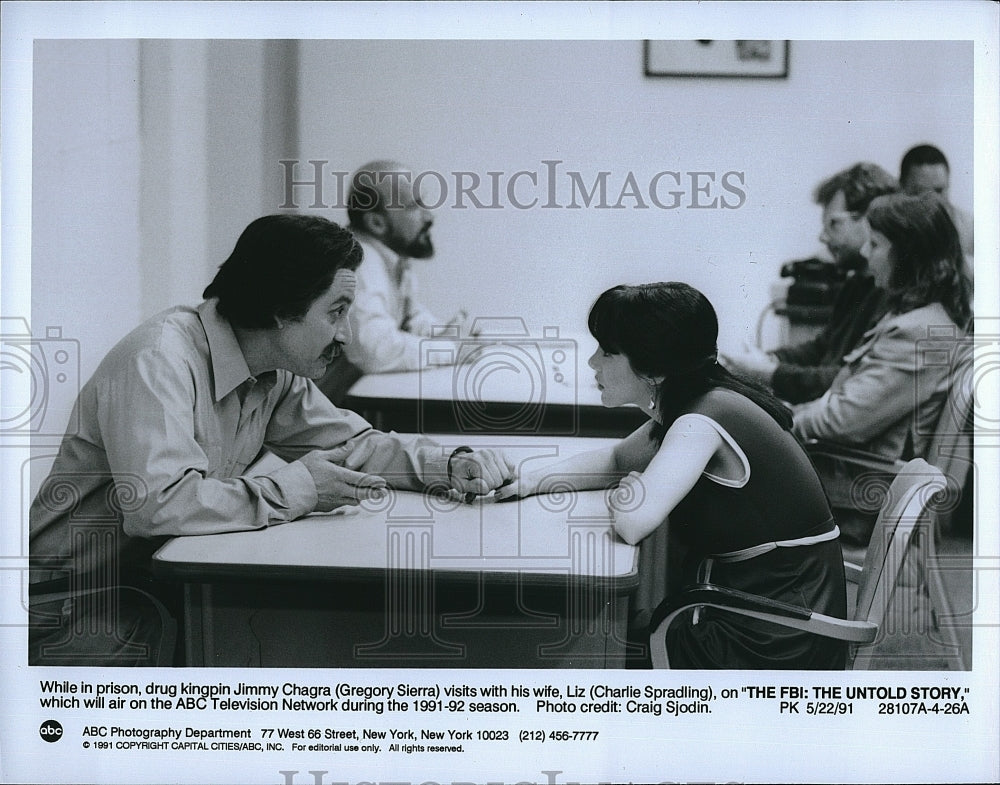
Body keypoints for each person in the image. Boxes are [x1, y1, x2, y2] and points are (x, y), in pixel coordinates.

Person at [28, 214, 513, 666]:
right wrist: (299, 488)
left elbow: (354, 444)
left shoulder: (273, 367)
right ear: (282, 310)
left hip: (149, 583)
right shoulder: (158, 360)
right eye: (337, 311)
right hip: (60, 603)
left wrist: (449, 463)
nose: (346, 335)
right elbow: (158, 506)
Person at [496, 282, 847, 670]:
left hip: (776, 639)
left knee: (588, 659)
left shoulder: (700, 420)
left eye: (607, 352)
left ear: (654, 370)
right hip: (766, 613)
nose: (593, 362)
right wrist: (529, 481)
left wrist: (627, 498)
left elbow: (632, 523)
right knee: (610, 638)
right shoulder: (702, 399)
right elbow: (616, 459)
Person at [792, 192, 973, 544]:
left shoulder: (919, 333)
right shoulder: (917, 320)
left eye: (874, 244)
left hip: (860, 498)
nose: (863, 252)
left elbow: (842, 420)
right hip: (857, 484)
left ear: (908, 257)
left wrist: (782, 422)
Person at [722, 162, 896, 403]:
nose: (823, 236)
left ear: (869, 219)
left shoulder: (892, 294)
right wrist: (767, 360)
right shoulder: (857, 284)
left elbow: (847, 380)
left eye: (834, 223)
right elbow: (821, 348)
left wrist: (768, 372)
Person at [316, 160, 475, 403]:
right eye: (414, 206)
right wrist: (452, 350)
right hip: (319, 419)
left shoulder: (391, 260)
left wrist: (449, 333)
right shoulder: (360, 262)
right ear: (376, 223)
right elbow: (376, 350)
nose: (429, 216)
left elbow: (409, 320)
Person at [899, 143, 974, 259]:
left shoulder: (971, 229)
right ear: (901, 187)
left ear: (948, 185)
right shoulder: (885, 228)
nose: (932, 200)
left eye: (939, 191)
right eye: (920, 192)